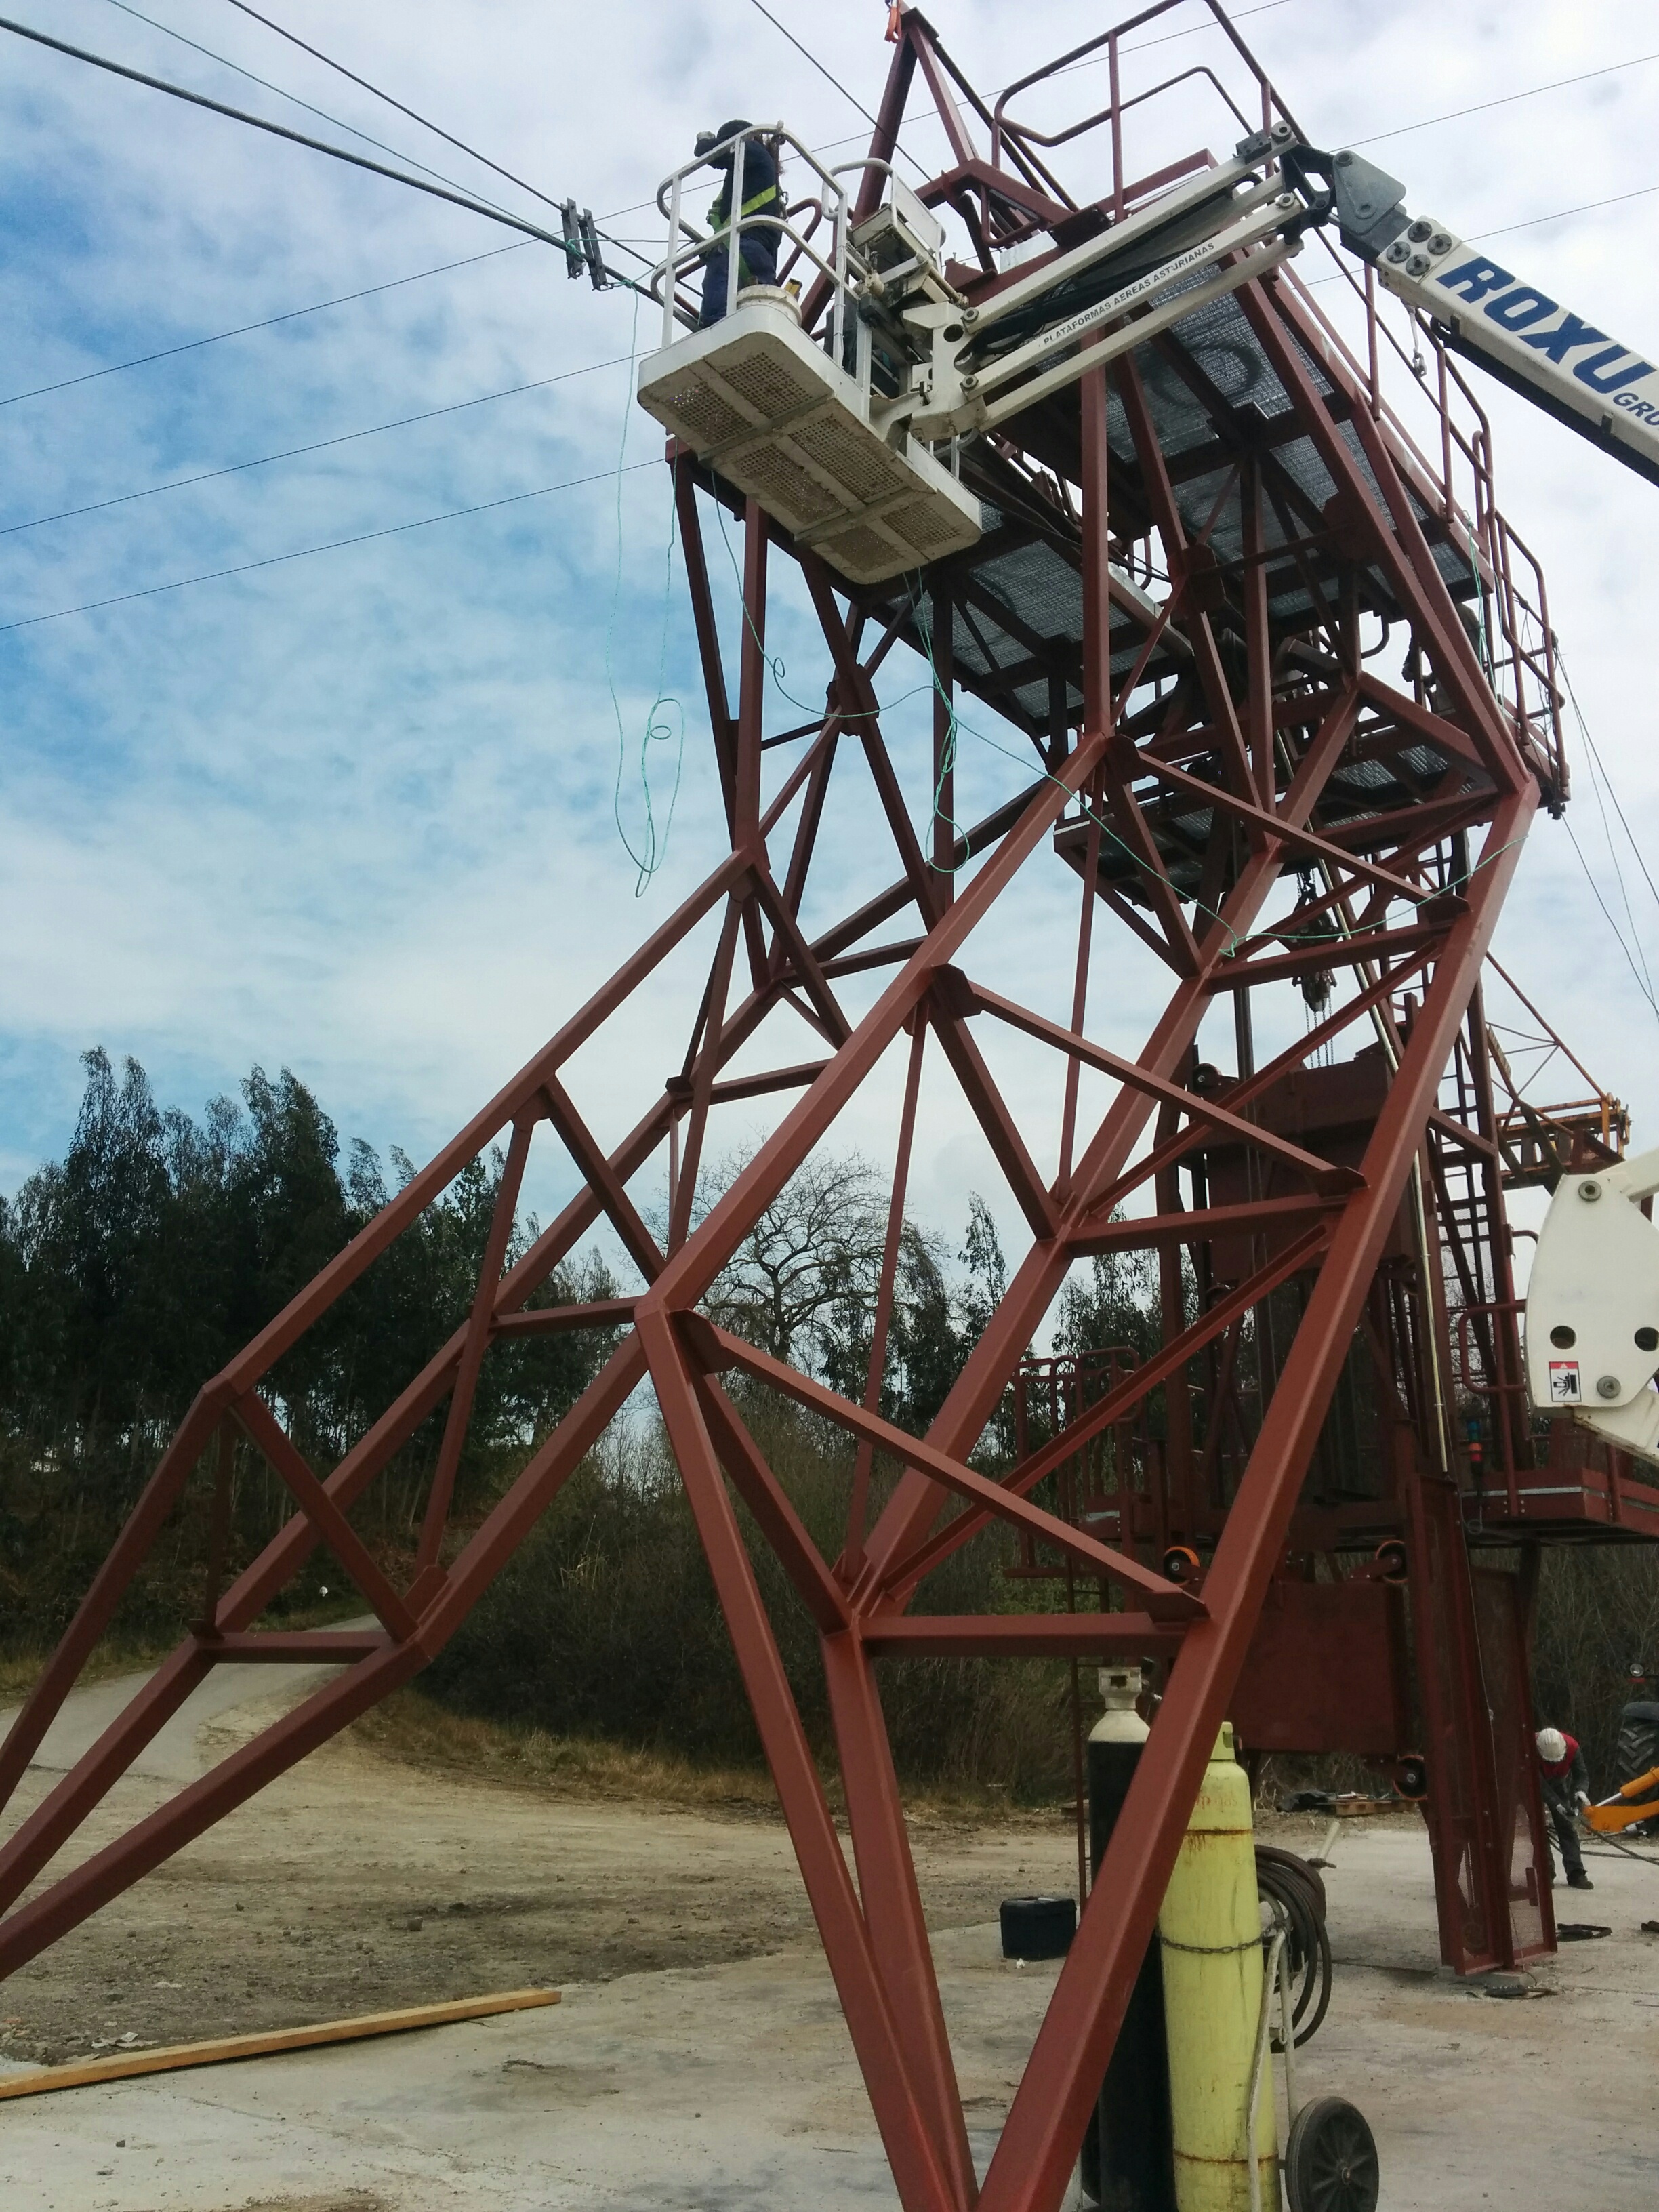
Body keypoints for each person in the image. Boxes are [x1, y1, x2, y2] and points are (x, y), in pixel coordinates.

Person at [694, 121, 782, 327]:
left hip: (743, 248)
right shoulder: (754, 173)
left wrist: (706, 141)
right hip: (759, 258)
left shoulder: (753, 151)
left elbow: (712, 154)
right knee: (755, 318)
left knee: (716, 321)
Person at [1535, 1725, 1593, 1891]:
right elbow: (1539, 1785)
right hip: (1531, 1783)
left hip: (1557, 1781)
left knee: (1567, 1826)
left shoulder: (1573, 1747)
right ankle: (1545, 1874)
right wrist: (1557, 1804)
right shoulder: (1528, 1747)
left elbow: (1581, 1775)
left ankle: (1576, 1873)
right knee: (1537, 1828)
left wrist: (1581, 1792)